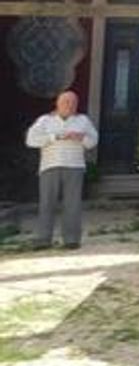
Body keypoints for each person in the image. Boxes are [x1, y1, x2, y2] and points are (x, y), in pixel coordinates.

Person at [25, 90, 98, 249]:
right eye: (66, 102)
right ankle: (44, 239)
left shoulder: (82, 120)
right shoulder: (45, 120)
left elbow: (93, 141)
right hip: (50, 165)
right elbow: (30, 140)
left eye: (73, 102)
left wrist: (80, 138)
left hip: (75, 166)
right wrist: (55, 137)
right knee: (47, 203)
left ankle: (71, 239)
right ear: (57, 103)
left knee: (72, 204)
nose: (69, 105)